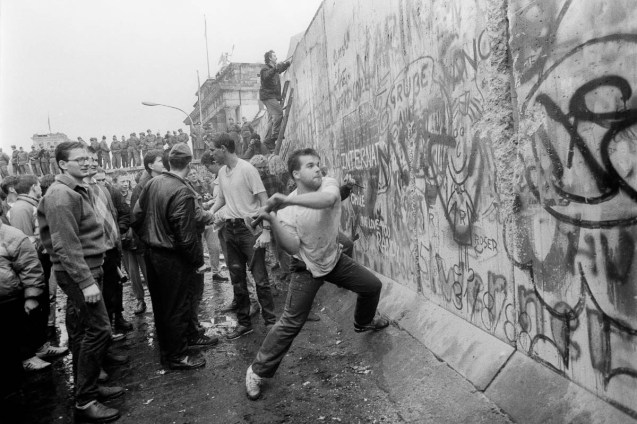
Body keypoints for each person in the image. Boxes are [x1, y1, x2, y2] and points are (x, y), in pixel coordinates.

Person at [245, 148, 389, 400]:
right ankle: (257, 371)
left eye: (318, 164)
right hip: (306, 268)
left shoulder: (328, 184)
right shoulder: (287, 211)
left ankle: (363, 321)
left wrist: (285, 200)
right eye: (310, 165)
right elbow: (291, 247)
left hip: (334, 259)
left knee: (372, 286)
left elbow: (329, 201)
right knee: (291, 322)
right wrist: (271, 217)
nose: (317, 169)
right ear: (296, 173)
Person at [37, 141, 123, 423]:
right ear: (62, 164)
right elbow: (64, 246)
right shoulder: (61, 195)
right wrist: (86, 282)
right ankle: (85, 400)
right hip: (79, 271)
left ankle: (91, 387)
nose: (86, 163)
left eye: (88, 158)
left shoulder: (75, 189)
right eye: (79, 159)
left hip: (86, 268)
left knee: (82, 329)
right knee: (99, 331)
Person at [133, 144, 216, 370]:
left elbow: (136, 217)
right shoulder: (182, 190)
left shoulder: (152, 183)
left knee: (162, 306)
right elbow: (186, 235)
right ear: (189, 165)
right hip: (172, 257)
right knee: (177, 306)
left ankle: (176, 347)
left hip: (153, 254)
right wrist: (197, 261)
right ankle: (177, 356)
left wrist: (150, 238)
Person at [209, 133, 276, 339]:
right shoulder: (221, 171)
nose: (211, 154)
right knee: (237, 279)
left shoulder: (247, 169)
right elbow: (221, 199)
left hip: (249, 230)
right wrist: (208, 214)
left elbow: (264, 200)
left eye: (213, 150)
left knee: (260, 279)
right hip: (230, 230)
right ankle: (244, 323)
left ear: (223, 148)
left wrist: (266, 230)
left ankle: (271, 323)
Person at [8, 175, 68, 371]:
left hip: (41, 261)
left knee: (43, 303)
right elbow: (23, 242)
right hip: (35, 262)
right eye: (37, 185)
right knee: (34, 308)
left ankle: (42, 346)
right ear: (33, 187)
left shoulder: (30, 205)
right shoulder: (21, 208)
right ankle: (30, 353)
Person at [0, 210, 45, 402]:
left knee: (9, 350)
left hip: (7, 303)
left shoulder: (12, 236)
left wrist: (31, 296)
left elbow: (30, 267)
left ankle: (14, 394)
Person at [124, 150, 164, 315]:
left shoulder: (163, 181)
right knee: (136, 274)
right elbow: (136, 217)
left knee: (153, 276)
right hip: (142, 241)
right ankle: (142, 301)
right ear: (150, 165)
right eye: (160, 161)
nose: (164, 163)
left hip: (154, 240)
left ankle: (159, 303)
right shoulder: (142, 188)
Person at [260, 50, 291, 152]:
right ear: (270, 58)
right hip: (268, 96)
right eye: (274, 56)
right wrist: (275, 68)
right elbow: (266, 76)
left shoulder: (273, 69)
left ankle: (268, 141)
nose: (276, 58)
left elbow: (278, 69)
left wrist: (286, 64)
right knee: (278, 113)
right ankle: (275, 135)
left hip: (271, 96)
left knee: (271, 120)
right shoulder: (265, 69)